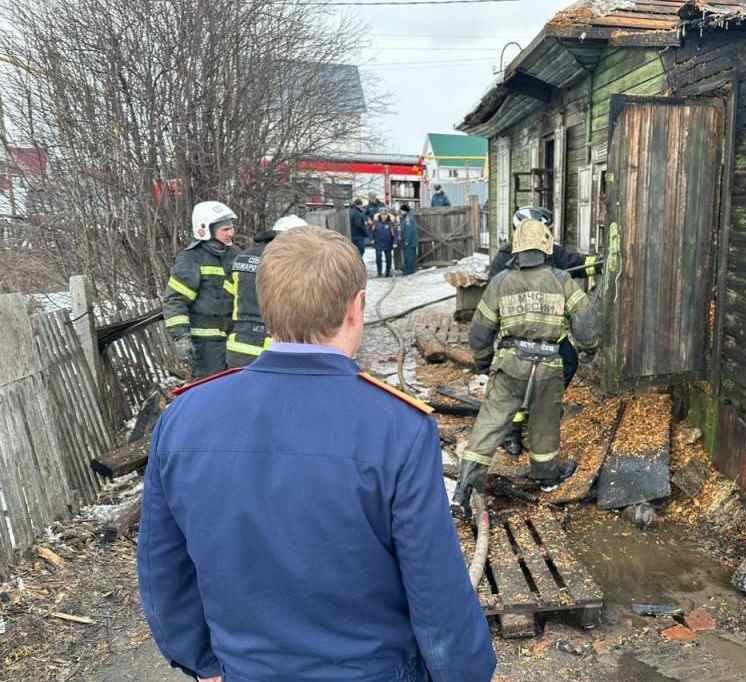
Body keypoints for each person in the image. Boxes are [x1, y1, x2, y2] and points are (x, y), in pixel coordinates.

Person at [139, 226, 496, 682]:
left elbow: (162, 568)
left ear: (264, 306)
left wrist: (200, 661)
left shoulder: (185, 416)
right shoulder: (398, 427)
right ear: (357, 307)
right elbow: (435, 585)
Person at [451, 219, 599, 519]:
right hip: (548, 367)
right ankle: (546, 476)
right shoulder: (562, 281)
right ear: (546, 247)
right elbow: (586, 324)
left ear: (516, 250)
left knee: (490, 423)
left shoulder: (500, 282)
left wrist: (482, 362)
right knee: (544, 422)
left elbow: (480, 331)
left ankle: (464, 490)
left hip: (510, 365)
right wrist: (589, 346)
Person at [489, 206, 602, 455]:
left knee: (568, 361)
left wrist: (603, 262)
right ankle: (513, 434)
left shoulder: (551, 252)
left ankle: (541, 406)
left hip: (550, 333)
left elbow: (578, 264)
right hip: (517, 334)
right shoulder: (505, 259)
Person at [163, 201, 239, 379]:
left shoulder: (235, 255)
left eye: (231, 228)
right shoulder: (191, 259)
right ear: (205, 229)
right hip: (205, 346)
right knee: (211, 391)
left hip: (234, 340)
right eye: (225, 229)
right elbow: (175, 300)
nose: (231, 233)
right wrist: (181, 338)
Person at [224, 214, 307, 368]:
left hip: (239, 346)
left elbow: (226, 300)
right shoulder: (290, 260)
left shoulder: (242, 257)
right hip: (277, 348)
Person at [372, 211, 396, 278]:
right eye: (382, 215)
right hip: (378, 243)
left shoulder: (390, 224)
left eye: (385, 215)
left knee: (388, 258)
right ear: (380, 215)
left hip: (388, 243)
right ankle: (379, 272)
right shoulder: (376, 223)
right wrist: (372, 239)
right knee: (378, 258)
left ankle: (387, 272)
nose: (383, 216)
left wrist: (394, 242)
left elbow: (394, 234)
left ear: (387, 215)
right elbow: (371, 231)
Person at [399, 203, 419, 275]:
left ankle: (409, 270)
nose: (401, 212)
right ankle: (409, 269)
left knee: (409, 256)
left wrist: (406, 241)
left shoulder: (408, 219)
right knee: (409, 256)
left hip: (409, 242)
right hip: (411, 242)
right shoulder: (408, 217)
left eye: (401, 210)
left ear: (405, 211)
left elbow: (409, 231)